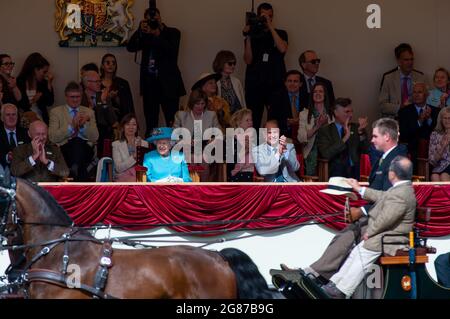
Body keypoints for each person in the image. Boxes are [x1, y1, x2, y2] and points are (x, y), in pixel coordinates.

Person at [284, 118, 408, 282]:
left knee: (350, 234)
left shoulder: (397, 160)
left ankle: (316, 277)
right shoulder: (385, 158)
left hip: (388, 226)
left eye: (375, 136)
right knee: (346, 234)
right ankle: (312, 274)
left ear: (387, 137)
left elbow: (390, 198)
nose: (371, 140)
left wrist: (362, 211)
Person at [322, 156, 416, 299]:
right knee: (357, 251)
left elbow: (386, 219)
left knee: (364, 252)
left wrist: (370, 232)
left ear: (392, 174)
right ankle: (335, 283)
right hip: (386, 235)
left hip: (393, 239)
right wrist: (359, 189)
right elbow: (381, 195)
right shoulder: (401, 189)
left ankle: (342, 290)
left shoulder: (402, 194)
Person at [127, 7, 186, 134]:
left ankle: (174, 150)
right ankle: (151, 150)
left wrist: (157, 33)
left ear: (160, 17)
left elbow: (171, 51)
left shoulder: (173, 33)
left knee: (172, 121)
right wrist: (139, 31)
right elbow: (130, 47)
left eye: (155, 17)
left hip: (169, 85)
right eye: (149, 18)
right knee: (151, 122)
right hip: (150, 85)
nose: (153, 20)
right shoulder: (145, 35)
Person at [243, 2, 288, 129]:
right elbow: (248, 60)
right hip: (255, 85)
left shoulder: (281, 33)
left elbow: (282, 48)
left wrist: (270, 26)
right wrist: (249, 35)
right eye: (264, 16)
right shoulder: (253, 35)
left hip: (275, 84)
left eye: (270, 16)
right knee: (253, 120)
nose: (267, 18)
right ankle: (253, 148)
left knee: (275, 120)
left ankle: (274, 148)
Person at [49, 82, 99, 181]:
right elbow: (52, 137)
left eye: (78, 97)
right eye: (72, 97)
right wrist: (71, 126)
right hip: (64, 150)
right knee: (75, 143)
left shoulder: (89, 112)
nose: (75, 99)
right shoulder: (56, 112)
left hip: (86, 149)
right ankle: (79, 176)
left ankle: (73, 170)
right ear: (66, 97)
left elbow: (95, 137)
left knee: (78, 143)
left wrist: (83, 126)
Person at [317, 98, 369, 180]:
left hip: (354, 172)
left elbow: (366, 150)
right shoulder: (325, 131)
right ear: (336, 112)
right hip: (335, 173)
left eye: (351, 111)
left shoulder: (356, 128)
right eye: (347, 112)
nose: (350, 115)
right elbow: (326, 154)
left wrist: (361, 133)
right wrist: (345, 138)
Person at [398, 82, 439, 173]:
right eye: (414, 92)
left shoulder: (435, 111)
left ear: (426, 94)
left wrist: (429, 120)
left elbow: (438, 132)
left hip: (432, 151)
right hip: (412, 151)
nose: (416, 95)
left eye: (419, 92)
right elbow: (403, 135)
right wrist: (419, 122)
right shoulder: (404, 111)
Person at [379, 43, 427, 117]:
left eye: (411, 59)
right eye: (406, 60)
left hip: (416, 119)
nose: (410, 62)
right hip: (395, 120)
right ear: (398, 61)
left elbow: (427, 100)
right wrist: (400, 107)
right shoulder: (388, 78)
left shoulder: (420, 77)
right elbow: (382, 105)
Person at [297, 83, 333, 175]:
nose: (318, 94)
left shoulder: (332, 113)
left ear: (325, 95)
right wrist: (317, 126)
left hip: (329, 151)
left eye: (321, 91)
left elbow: (334, 137)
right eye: (315, 92)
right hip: (311, 150)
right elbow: (301, 138)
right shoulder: (304, 114)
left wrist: (325, 124)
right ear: (312, 95)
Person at [81, 70, 118, 157]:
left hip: (102, 132)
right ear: (87, 83)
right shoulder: (79, 97)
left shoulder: (103, 96)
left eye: (99, 81)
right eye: (96, 81)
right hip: (85, 132)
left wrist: (103, 101)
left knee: (104, 131)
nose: (99, 84)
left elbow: (111, 119)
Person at [16, 52, 54, 123]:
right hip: (26, 118)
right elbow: (21, 105)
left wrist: (49, 83)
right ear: (35, 70)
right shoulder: (20, 81)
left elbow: (50, 102)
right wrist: (33, 100)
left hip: (41, 118)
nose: (46, 74)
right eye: (44, 72)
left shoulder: (43, 82)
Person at [112, 113, 149, 182]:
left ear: (137, 127)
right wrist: (134, 156)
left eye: (134, 124)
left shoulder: (144, 143)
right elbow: (118, 168)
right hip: (123, 176)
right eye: (128, 124)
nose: (131, 127)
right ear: (123, 127)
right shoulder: (116, 144)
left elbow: (147, 165)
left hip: (141, 175)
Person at [268, 70, 303, 138]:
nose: (292, 84)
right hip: (282, 136)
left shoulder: (307, 98)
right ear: (285, 83)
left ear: (301, 84)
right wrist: (287, 122)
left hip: (304, 136)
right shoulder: (276, 98)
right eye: (289, 81)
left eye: (295, 81)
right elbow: (271, 120)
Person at [100, 53, 135, 120]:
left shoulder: (123, 83)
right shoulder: (97, 82)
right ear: (102, 66)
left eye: (113, 63)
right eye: (107, 62)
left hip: (121, 118)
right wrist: (108, 98)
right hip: (102, 118)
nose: (111, 65)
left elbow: (129, 105)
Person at [227, 108, 255, 182]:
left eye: (251, 120)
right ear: (239, 123)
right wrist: (245, 150)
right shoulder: (234, 138)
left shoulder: (253, 136)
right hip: (239, 171)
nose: (250, 122)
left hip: (252, 169)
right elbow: (232, 160)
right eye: (247, 120)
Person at [0, 103, 30, 168]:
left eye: (14, 114)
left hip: (25, 169)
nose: (11, 117)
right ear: (2, 118)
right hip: (4, 170)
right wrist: (7, 157)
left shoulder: (26, 133)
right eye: (8, 115)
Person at [428, 107, 450, 181]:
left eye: (449, 118)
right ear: (441, 120)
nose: (447, 121)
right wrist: (442, 147)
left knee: (444, 175)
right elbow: (432, 161)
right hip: (440, 166)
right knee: (434, 176)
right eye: (445, 118)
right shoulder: (435, 135)